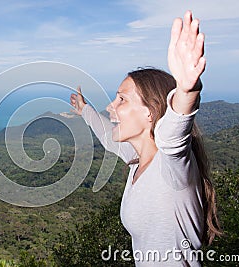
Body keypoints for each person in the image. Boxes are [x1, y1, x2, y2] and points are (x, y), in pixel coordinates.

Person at [70, 11, 221, 266]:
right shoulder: (139, 159)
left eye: (122, 99)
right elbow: (109, 137)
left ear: (150, 112)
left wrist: (186, 90)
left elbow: (173, 134)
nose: (111, 106)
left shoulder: (172, 167)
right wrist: (85, 110)